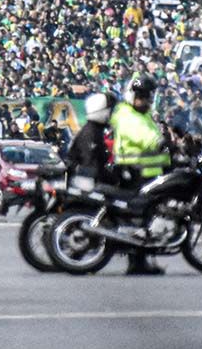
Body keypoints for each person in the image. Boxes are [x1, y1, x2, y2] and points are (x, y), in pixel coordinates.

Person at [111, 77, 170, 275]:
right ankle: (137, 261)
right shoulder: (126, 115)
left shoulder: (142, 115)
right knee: (140, 218)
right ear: (132, 96)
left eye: (149, 97)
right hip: (135, 172)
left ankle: (142, 259)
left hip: (148, 173)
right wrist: (158, 142)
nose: (147, 101)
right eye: (143, 97)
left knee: (149, 216)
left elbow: (155, 131)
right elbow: (143, 136)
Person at [67, 91, 114, 183]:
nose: (110, 115)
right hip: (85, 185)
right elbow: (89, 163)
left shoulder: (96, 130)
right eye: (109, 111)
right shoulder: (90, 133)